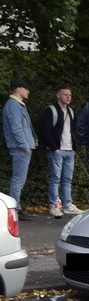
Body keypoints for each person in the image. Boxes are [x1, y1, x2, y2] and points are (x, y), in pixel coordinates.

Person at [39, 85, 83, 218]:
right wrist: (54, 148)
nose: (68, 97)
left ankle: (67, 204)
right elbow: (44, 130)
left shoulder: (71, 111)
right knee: (55, 178)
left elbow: (74, 130)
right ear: (58, 95)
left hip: (70, 150)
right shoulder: (51, 110)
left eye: (70, 95)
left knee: (67, 179)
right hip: (57, 150)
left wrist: (74, 146)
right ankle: (54, 205)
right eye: (65, 94)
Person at [3, 78, 37, 221]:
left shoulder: (17, 105)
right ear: (18, 89)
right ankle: (15, 209)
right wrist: (25, 146)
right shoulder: (14, 106)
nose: (28, 91)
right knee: (18, 180)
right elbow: (16, 128)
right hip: (20, 148)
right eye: (26, 88)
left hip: (22, 147)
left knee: (19, 179)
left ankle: (15, 208)